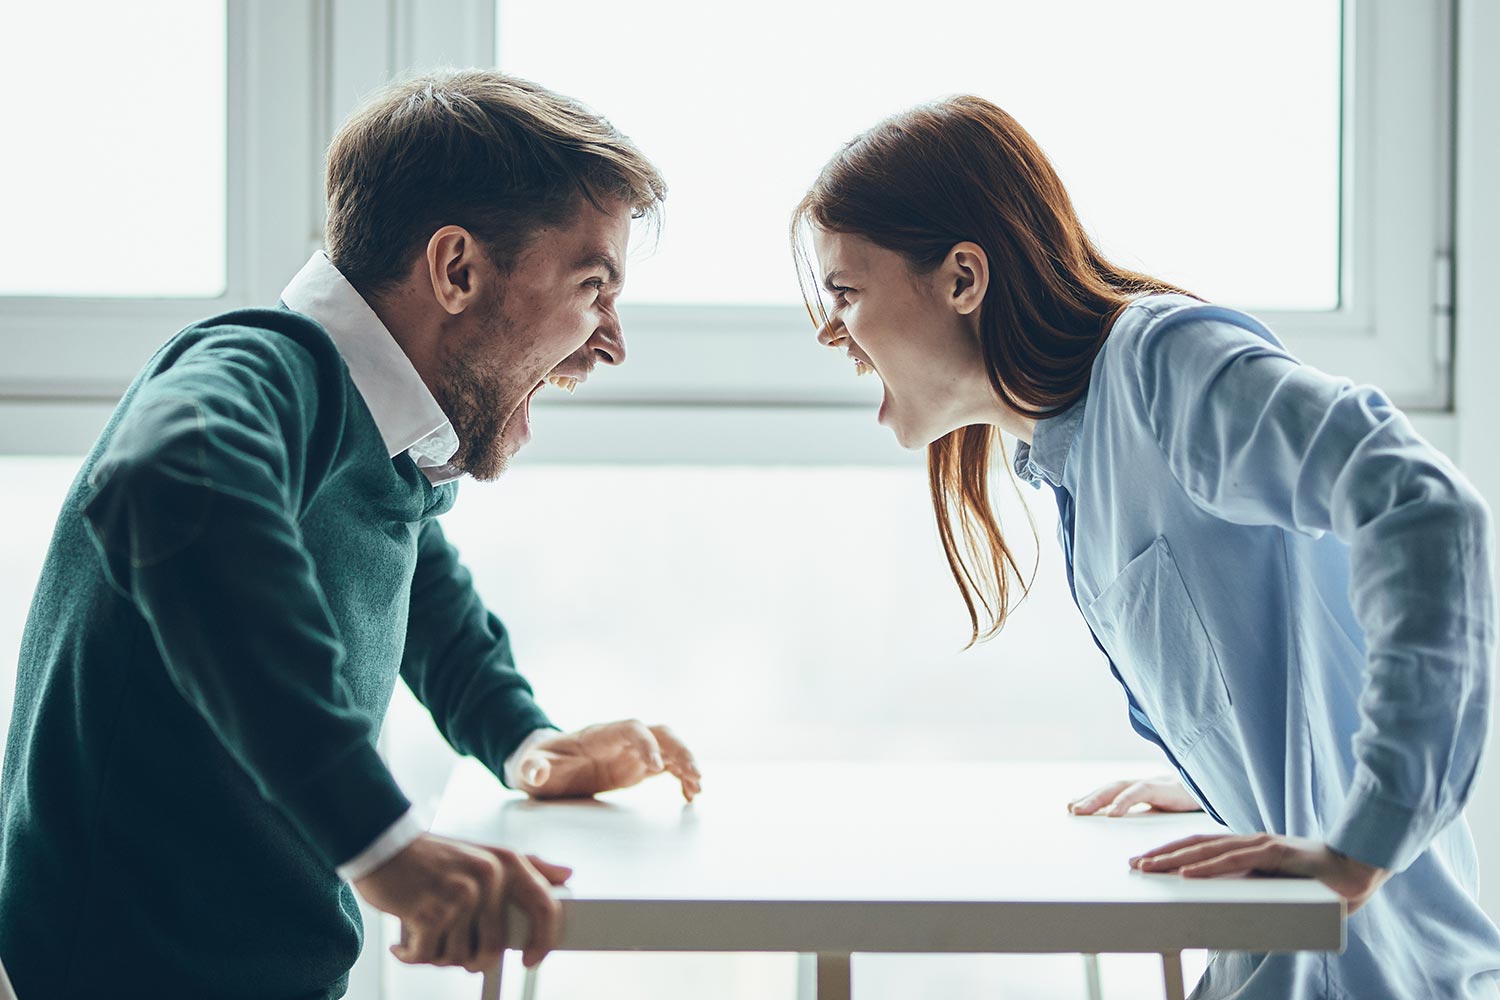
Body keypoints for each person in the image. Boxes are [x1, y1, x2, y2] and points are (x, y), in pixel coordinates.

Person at [0, 70, 701, 1000]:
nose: (610, 340)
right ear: (456, 270)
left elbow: (419, 589)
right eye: (592, 285)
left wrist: (523, 739)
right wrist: (385, 847)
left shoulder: (378, 445)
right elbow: (163, 479)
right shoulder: (264, 366)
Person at [791, 95, 1498, 998]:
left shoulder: (1164, 364)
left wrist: (1365, 841)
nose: (830, 332)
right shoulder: (1072, 459)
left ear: (964, 278)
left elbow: (1425, 508)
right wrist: (1229, 775)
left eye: (845, 294)